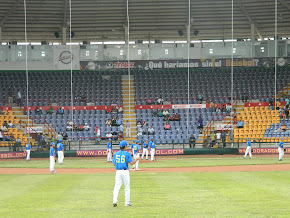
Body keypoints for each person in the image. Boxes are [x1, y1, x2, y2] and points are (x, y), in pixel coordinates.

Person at [112, 140, 140, 207]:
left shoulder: (116, 153)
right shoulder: (127, 154)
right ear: (125, 146)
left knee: (117, 187)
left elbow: (113, 163)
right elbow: (131, 163)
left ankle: (114, 201)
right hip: (125, 171)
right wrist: (137, 159)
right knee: (127, 187)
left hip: (118, 171)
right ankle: (127, 203)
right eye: (126, 145)